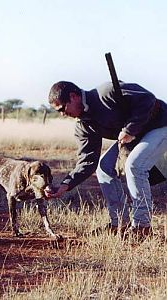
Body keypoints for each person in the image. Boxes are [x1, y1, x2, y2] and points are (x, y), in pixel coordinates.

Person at [45, 81, 167, 237]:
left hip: (161, 124)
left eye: (62, 108)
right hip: (134, 136)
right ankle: (119, 223)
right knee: (103, 167)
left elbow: (148, 99)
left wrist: (130, 129)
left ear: (73, 96)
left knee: (134, 166)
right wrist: (66, 184)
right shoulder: (83, 126)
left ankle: (142, 227)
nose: (62, 114)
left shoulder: (107, 92)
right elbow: (87, 161)